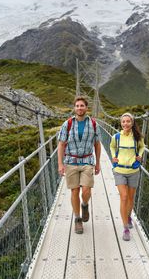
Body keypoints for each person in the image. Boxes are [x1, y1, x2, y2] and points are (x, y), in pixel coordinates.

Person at [57, 96, 101, 234]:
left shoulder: (94, 124)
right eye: (77, 106)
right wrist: (60, 164)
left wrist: (98, 162)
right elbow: (61, 144)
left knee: (86, 190)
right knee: (74, 191)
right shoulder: (67, 124)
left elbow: (97, 144)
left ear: (86, 108)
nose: (79, 108)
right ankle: (77, 219)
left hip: (88, 161)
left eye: (82, 105)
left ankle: (85, 204)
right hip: (71, 162)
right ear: (74, 108)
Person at [110, 112, 145, 241]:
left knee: (131, 197)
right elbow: (112, 146)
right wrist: (113, 156)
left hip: (133, 170)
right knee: (124, 197)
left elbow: (142, 147)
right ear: (121, 123)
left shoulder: (137, 137)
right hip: (119, 170)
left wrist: (140, 155)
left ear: (132, 122)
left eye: (128, 121)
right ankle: (125, 228)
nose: (125, 123)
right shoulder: (116, 137)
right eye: (123, 121)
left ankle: (129, 216)